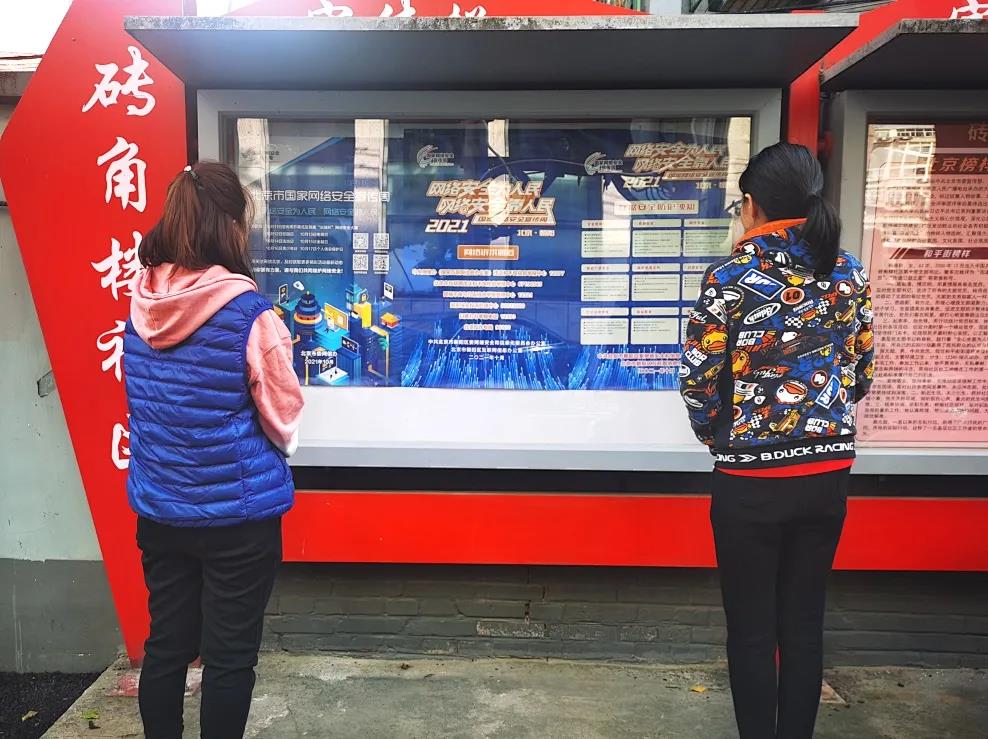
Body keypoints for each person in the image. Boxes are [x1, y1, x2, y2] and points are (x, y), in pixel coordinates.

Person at [679, 143, 875, 739]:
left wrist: (717, 436)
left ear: (751, 205)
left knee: (751, 630)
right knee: (804, 625)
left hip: (749, 482)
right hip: (826, 475)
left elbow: (698, 378)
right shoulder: (847, 273)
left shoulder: (730, 278)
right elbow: (861, 373)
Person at [124, 161, 303, 739]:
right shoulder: (249, 314)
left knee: (166, 646)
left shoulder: (140, 306)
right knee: (229, 658)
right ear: (229, 226)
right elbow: (284, 417)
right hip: (236, 521)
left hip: (160, 511)